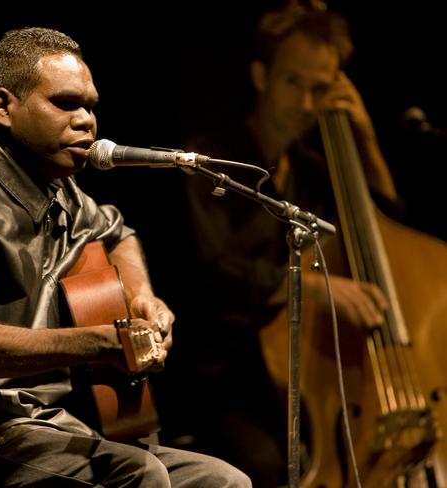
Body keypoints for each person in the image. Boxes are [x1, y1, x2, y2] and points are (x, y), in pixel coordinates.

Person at [0, 27, 251, 487]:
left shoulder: (54, 185)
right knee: (138, 475)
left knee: (221, 481)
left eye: (91, 106)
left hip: (47, 422)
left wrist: (142, 299)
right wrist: (106, 341)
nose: (87, 121)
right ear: (4, 107)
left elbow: (116, 231)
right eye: (66, 103)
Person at [157, 5, 401, 487]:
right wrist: (309, 287)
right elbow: (216, 270)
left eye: (320, 89)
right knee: (268, 468)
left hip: (307, 379)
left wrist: (366, 139)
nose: (308, 105)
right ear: (260, 75)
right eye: (294, 83)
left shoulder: (314, 173)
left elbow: (389, 235)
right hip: (223, 378)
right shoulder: (211, 163)